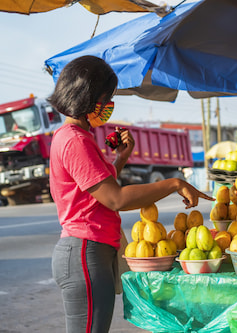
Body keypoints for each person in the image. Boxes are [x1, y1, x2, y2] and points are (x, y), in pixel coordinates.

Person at [48, 55, 213, 333]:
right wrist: (173, 183)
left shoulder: (79, 137)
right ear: (86, 96)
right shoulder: (74, 140)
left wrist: (121, 159)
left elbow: (95, 193)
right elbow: (116, 199)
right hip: (84, 251)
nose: (109, 105)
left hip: (91, 251)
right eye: (106, 97)